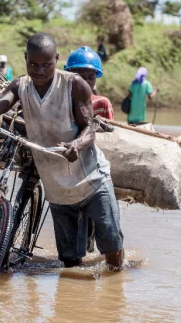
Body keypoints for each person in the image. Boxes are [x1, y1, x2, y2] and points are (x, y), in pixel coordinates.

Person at [0, 33, 124, 270]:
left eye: (46, 64)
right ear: (25, 59)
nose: (39, 70)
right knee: (69, 261)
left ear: (56, 59)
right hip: (56, 188)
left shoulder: (74, 85)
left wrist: (76, 144)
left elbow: (89, 128)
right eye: (33, 64)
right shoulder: (20, 86)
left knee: (112, 248)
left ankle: (114, 297)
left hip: (91, 181)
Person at [64, 46, 114, 253]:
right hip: (67, 162)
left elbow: (112, 137)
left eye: (90, 77)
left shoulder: (102, 102)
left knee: (96, 218)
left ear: (96, 79)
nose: (85, 82)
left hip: (93, 164)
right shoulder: (63, 100)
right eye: (79, 76)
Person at [64, 46, 113, 120]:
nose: (86, 82)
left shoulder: (102, 104)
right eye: (81, 77)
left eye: (90, 78)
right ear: (68, 74)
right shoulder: (61, 103)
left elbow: (110, 129)